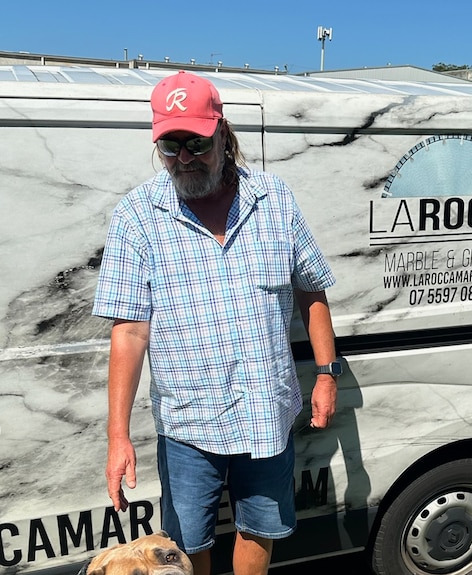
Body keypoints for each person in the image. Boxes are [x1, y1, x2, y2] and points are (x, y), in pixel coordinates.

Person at [92, 71, 338, 575]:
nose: (184, 157)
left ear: (222, 134)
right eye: (171, 146)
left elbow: (311, 289)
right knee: (185, 545)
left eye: (197, 143)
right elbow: (130, 331)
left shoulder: (274, 199)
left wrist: (326, 374)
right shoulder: (137, 217)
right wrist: (118, 436)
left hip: (265, 410)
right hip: (188, 424)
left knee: (260, 528)